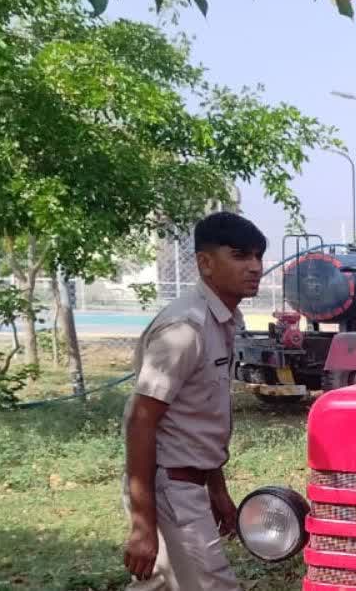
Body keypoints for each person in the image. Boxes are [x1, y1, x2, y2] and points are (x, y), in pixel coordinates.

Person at [121, 212, 265, 591]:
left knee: (160, 584)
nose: (255, 267)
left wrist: (216, 490)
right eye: (240, 256)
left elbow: (198, 418)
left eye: (257, 256)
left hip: (189, 482)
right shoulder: (186, 329)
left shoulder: (223, 321)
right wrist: (142, 524)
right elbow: (141, 420)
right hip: (169, 487)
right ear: (205, 262)